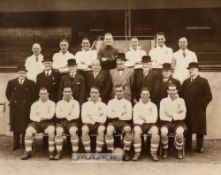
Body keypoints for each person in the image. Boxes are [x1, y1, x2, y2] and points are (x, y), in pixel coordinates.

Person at [181, 62, 212, 153]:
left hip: (199, 110)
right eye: (190, 70)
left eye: (193, 69)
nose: (191, 71)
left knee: (199, 129)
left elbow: (208, 96)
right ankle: (188, 145)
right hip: (187, 109)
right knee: (188, 128)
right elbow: (181, 95)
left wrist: (202, 105)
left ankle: (200, 146)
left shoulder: (203, 81)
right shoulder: (185, 82)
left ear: (198, 70)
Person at [5, 65, 37, 150]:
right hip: (15, 107)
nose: (21, 74)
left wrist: (28, 103)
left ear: (26, 73)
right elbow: (8, 94)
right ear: (17, 73)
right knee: (15, 126)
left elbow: (34, 95)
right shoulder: (11, 82)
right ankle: (16, 144)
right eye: (20, 73)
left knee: (25, 126)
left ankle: (24, 143)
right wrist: (13, 101)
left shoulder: (31, 83)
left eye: (23, 73)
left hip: (26, 108)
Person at [21, 88, 56, 160]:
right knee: (28, 131)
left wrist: (39, 115)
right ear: (39, 94)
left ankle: (51, 151)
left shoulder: (52, 103)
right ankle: (28, 151)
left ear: (48, 94)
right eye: (41, 94)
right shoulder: (35, 104)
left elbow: (51, 115)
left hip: (48, 123)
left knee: (51, 130)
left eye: (45, 93)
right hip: (36, 123)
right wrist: (41, 118)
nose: (43, 95)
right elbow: (31, 116)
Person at [105, 84, 133, 161]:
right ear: (115, 91)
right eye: (117, 91)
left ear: (123, 91)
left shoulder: (128, 103)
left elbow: (129, 116)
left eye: (120, 91)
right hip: (113, 122)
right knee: (109, 130)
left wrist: (116, 113)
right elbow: (109, 115)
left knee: (128, 130)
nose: (119, 93)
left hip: (124, 122)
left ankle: (126, 152)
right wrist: (121, 113)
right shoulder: (111, 102)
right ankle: (110, 151)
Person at [160, 83, 187, 159]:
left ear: (177, 90)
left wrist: (171, 115)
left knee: (179, 132)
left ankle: (179, 150)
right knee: (163, 131)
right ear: (167, 91)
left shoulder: (181, 101)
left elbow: (183, 115)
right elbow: (161, 116)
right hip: (166, 122)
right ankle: (165, 149)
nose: (172, 92)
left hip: (178, 122)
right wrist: (176, 114)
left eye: (174, 90)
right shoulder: (163, 101)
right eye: (170, 90)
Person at [133, 87, 160, 161]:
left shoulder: (153, 106)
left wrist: (144, 118)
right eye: (143, 94)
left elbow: (154, 119)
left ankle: (153, 153)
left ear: (149, 95)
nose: (145, 96)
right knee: (136, 130)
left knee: (155, 130)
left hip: (150, 125)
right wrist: (147, 119)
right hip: (139, 125)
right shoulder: (136, 106)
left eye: (146, 94)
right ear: (140, 95)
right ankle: (137, 153)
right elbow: (135, 119)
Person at [54, 86, 80, 160]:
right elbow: (58, 115)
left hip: (72, 122)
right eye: (65, 91)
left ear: (72, 93)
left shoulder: (75, 103)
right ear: (63, 93)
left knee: (73, 131)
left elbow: (76, 115)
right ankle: (59, 153)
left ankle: (75, 153)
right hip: (61, 122)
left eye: (69, 92)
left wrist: (65, 115)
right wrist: (67, 114)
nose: (67, 93)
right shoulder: (59, 103)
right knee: (59, 131)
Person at [81, 87, 108, 154]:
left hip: (99, 124)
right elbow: (84, 119)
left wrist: (91, 117)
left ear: (99, 94)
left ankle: (98, 151)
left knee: (101, 129)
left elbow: (103, 120)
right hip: (88, 124)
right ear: (90, 94)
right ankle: (88, 151)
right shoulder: (85, 105)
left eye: (96, 92)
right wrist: (97, 117)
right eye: (92, 92)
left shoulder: (103, 105)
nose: (94, 94)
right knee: (84, 129)